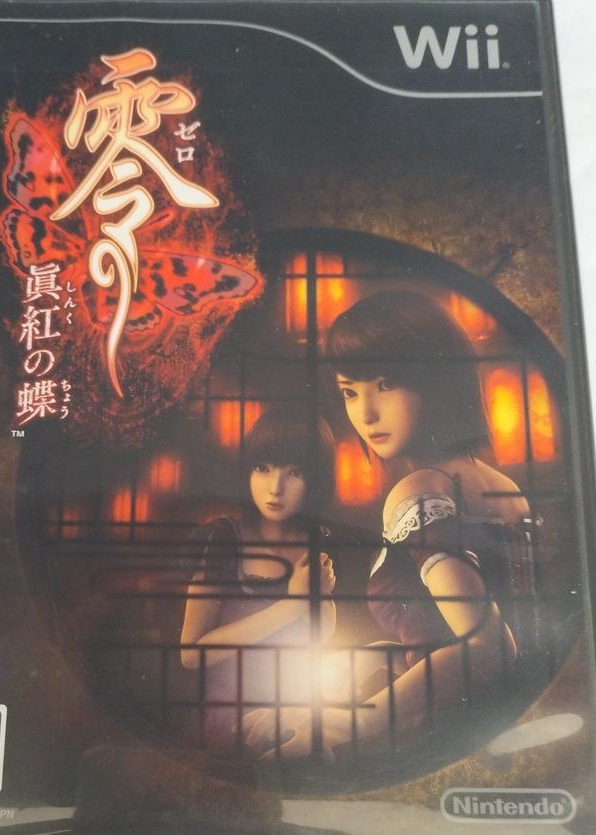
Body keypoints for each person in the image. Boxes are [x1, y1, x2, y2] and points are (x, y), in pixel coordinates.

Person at [246, 289, 538, 763]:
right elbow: (451, 637)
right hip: (504, 728)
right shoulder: (501, 486)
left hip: (445, 734)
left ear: (437, 378)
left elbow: (486, 647)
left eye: (386, 384)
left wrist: (337, 726)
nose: (366, 413)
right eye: (350, 392)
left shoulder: (419, 491)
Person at [180, 405, 337, 749]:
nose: (275, 488)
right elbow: (190, 654)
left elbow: (321, 635)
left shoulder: (314, 538)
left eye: (294, 472)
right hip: (231, 719)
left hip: (294, 711)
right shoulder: (224, 537)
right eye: (262, 468)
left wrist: (317, 596)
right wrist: (291, 605)